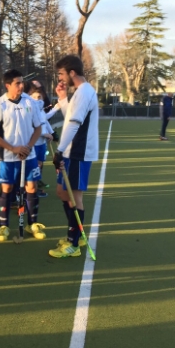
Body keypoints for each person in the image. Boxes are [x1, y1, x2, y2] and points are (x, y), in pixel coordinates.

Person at [48, 55, 99, 258]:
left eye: (61, 74)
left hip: (79, 152)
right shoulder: (79, 92)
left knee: (74, 196)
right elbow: (71, 115)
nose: (60, 78)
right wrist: (62, 98)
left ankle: (74, 243)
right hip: (71, 151)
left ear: (71, 72)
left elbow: (74, 123)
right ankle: (75, 234)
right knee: (62, 192)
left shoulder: (85, 91)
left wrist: (59, 150)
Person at [0, 69, 45, 242]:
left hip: (29, 155)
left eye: (22, 82)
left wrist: (28, 147)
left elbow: (38, 128)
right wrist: (13, 148)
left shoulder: (30, 102)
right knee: (7, 189)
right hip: (7, 156)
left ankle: (32, 223)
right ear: (7, 85)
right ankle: (3, 226)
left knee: (32, 187)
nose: (21, 86)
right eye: (17, 83)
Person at [29, 87, 54, 197]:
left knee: (39, 165)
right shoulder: (30, 110)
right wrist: (45, 134)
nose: (36, 99)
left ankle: (36, 186)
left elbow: (45, 122)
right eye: (34, 97)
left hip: (42, 144)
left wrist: (52, 133)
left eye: (39, 97)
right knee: (33, 166)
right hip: (34, 144)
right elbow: (33, 128)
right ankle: (31, 190)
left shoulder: (41, 111)